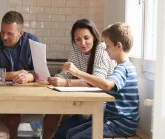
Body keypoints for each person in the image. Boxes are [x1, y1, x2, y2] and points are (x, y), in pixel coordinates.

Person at [35, 19, 116, 139]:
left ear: (94, 36)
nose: (82, 43)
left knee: (68, 135)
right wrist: (50, 79)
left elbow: (97, 82)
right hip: (85, 107)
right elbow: (65, 74)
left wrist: (65, 83)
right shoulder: (76, 50)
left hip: (101, 109)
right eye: (78, 39)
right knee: (59, 134)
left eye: (86, 38)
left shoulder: (101, 49)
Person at [62, 22, 140, 139]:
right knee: (70, 133)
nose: (106, 49)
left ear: (118, 46)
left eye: (107, 46)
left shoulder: (123, 68)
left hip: (120, 125)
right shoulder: (123, 67)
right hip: (112, 120)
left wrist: (77, 72)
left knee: (75, 137)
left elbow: (106, 85)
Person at [0, 11, 55, 139]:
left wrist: (29, 76)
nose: (4, 37)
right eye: (2, 31)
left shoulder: (33, 42)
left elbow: (41, 73)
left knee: (56, 111)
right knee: (12, 118)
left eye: (9, 33)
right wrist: (14, 74)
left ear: (21, 33)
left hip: (30, 95)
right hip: (6, 98)